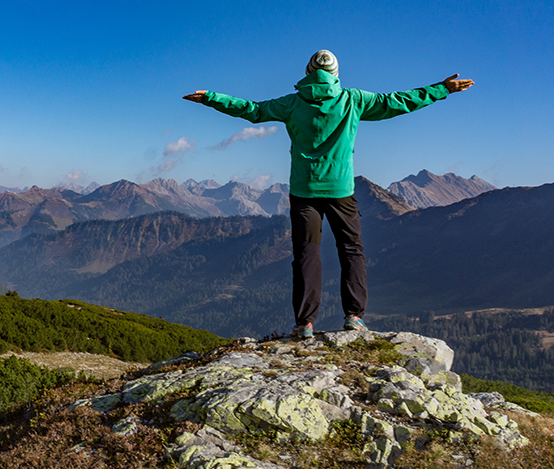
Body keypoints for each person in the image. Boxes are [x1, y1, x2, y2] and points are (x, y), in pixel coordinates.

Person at [183, 50, 474, 340]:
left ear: (309, 72)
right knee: (351, 251)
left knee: (306, 255)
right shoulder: (353, 99)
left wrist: (212, 98)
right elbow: (398, 102)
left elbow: (252, 110)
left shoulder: (292, 102)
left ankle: (305, 324)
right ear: (335, 73)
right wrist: (442, 89)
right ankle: (354, 317)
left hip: (303, 191)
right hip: (341, 192)